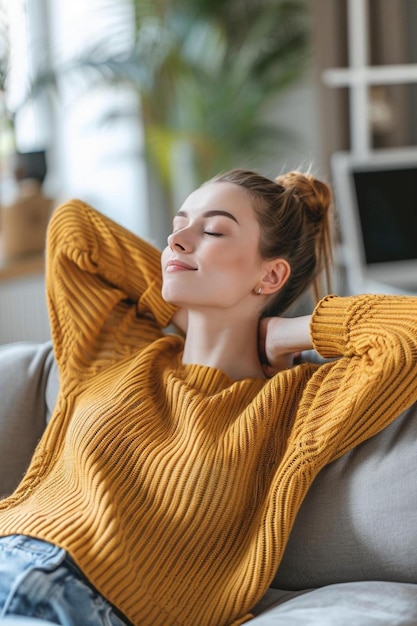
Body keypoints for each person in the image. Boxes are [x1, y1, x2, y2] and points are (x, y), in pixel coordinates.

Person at [0, 168, 416, 626]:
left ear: (271, 274)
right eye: (178, 226)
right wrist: (183, 315)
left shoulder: (294, 407)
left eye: (213, 229)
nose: (176, 242)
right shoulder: (122, 353)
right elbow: (73, 228)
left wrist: (286, 333)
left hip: (77, 605)